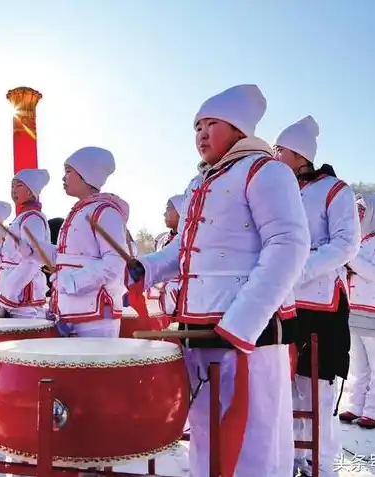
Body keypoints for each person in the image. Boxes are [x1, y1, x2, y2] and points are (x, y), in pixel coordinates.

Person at [127, 84, 310, 477]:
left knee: (251, 440)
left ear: (239, 129)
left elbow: (288, 244)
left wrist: (243, 321)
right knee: (208, 434)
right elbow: (183, 250)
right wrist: (148, 266)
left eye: (212, 124)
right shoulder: (199, 183)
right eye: (197, 127)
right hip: (199, 329)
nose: (202, 134)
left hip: (246, 336)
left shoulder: (266, 171)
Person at [274, 115, 360, 477]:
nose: (275, 155)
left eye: (280, 150)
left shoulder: (334, 190)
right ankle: (292, 460)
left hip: (321, 306)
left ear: (298, 154)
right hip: (284, 301)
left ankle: (323, 467)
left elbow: (346, 244)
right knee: (287, 390)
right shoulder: (280, 190)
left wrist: (297, 267)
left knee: (317, 395)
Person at [22, 147, 129, 337]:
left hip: (96, 316)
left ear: (86, 175)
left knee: (95, 366)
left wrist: (72, 281)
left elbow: (115, 263)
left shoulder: (105, 212)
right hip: (68, 312)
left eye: (68, 171)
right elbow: (66, 258)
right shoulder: (79, 212)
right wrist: (34, 249)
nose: (63, 178)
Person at [0, 169, 50, 317]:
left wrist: (8, 294)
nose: (13, 191)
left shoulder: (33, 218)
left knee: (22, 334)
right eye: (12, 186)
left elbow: (32, 261)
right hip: (13, 290)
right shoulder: (21, 218)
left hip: (22, 294)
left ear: (31, 191)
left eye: (18, 186)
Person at [339, 194, 375, 429]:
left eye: (362, 211)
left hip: (372, 312)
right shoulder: (357, 242)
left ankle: (372, 410)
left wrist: (350, 260)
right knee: (358, 364)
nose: (358, 216)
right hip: (354, 310)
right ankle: (355, 405)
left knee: (374, 364)